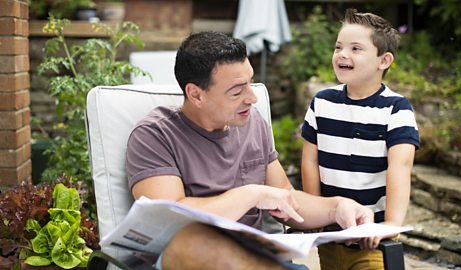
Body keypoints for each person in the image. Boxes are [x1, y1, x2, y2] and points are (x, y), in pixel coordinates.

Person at [125, 31, 374, 270]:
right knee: (191, 242)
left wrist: (337, 207)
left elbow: (286, 198)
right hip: (185, 259)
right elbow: (168, 219)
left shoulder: (252, 123)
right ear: (196, 94)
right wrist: (252, 194)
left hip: (253, 258)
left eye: (250, 83)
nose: (252, 98)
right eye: (237, 91)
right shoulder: (155, 135)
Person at [301, 9, 420, 270]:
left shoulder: (396, 109)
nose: (342, 54)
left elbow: (401, 167)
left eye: (356, 49)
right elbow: (310, 160)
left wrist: (390, 224)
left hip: (372, 239)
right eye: (338, 47)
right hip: (331, 236)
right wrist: (314, 210)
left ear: (384, 60)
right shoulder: (322, 102)